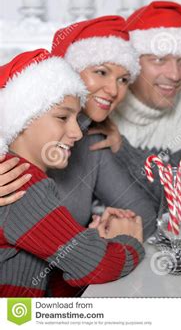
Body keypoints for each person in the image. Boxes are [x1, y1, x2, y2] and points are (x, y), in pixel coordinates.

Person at [0, 49, 144, 297]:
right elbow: (98, 267)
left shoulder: (22, 176)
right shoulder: (21, 181)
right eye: (62, 117)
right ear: (22, 120)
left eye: (76, 118)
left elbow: (44, 288)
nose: (77, 133)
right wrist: (130, 242)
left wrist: (90, 243)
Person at [48, 15, 158, 238]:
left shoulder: (92, 139)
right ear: (69, 71)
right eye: (101, 72)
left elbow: (144, 213)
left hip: (75, 270)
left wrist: (104, 236)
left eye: (123, 79)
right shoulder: (21, 130)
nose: (113, 90)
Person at [97, 1, 181, 203]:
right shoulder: (105, 103)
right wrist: (163, 172)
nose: (175, 75)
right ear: (132, 64)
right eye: (159, 59)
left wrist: (123, 150)